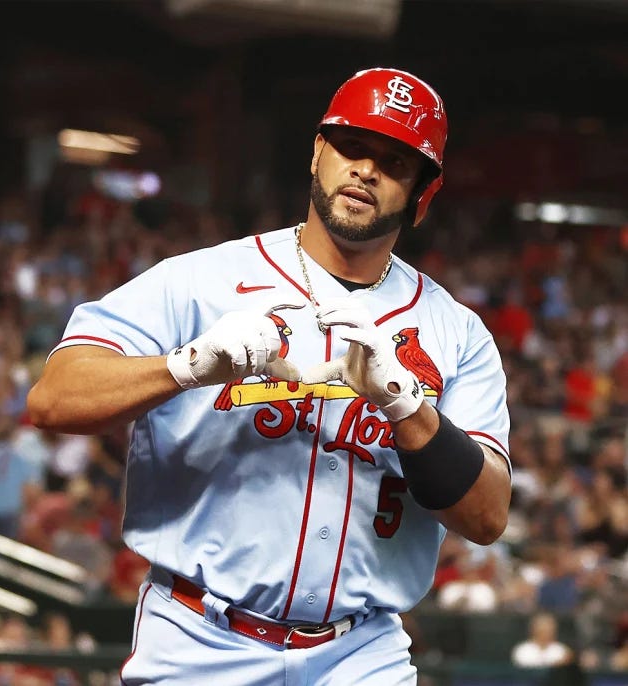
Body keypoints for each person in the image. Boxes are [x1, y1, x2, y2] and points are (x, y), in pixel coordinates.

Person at [27, 67, 512, 685]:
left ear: (422, 192)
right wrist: (187, 366)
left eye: (394, 162)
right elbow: (53, 398)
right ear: (318, 151)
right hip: (200, 639)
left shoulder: (456, 333)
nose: (365, 170)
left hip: (360, 651)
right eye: (353, 147)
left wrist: (402, 403)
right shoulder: (200, 281)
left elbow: (488, 515)